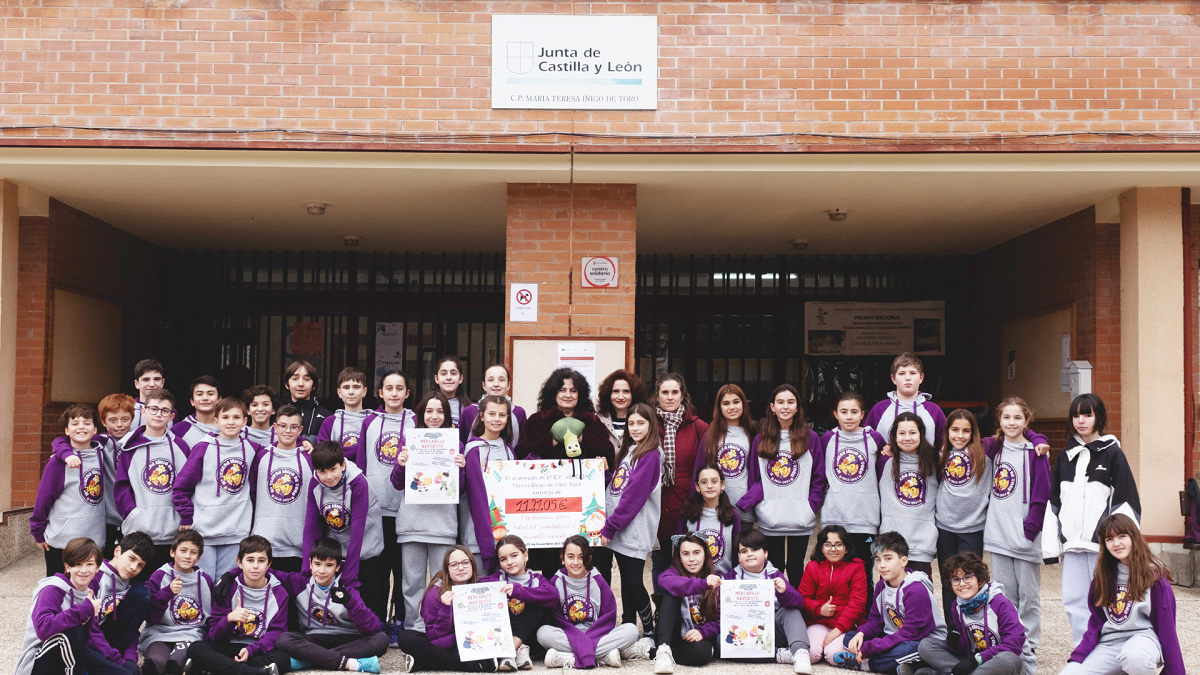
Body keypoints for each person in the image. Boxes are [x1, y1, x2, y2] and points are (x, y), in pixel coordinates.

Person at [1045, 394, 1141, 647]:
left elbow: (1126, 501)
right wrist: (1053, 545)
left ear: (1099, 417)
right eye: (1076, 415)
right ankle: (1083, 652)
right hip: (1074, 547)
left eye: (1087, 414)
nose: (1081, 420)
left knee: (1107, 600)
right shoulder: (1065, 456)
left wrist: (1123, 547)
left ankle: (1110, 653)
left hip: (1102, 548)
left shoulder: (1113, 454)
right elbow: (1054, 502)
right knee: (1074, 601)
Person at [514, 368, 612, 576]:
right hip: (548, 510)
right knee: (552, 565)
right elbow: (521, 455)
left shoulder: (593, 423)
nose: (568, 395)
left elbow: (608, 454)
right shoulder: (536, 421)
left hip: (583, 509)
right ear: (553, 393)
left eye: (573, 390)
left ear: (581, 395)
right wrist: (551, 440)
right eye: (562, 390)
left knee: (586, 563)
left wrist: (584, 438)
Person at [1061, 514, 1183, 675]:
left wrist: (1175, 671)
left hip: (1144, 641)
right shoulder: (1102, 578)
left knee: (1135, 657)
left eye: (1122, 536)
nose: (1116, 543)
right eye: (1109, 539)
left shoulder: (1154, 579)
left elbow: (1167, 629)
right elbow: (1097, 622)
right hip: (1110, 644)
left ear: (1134, 538)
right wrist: (1080, 655)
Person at [981, 398, 1050, 675]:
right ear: (999, 421)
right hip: (999, 533)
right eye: (1006, 417)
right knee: (1005, 595)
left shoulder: (1036, 451)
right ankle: (1010, 643)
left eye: (1017, 418)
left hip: (1025, 534)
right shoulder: (993, 447)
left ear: (1026, 421)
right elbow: (964, 442)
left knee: (1029, 596)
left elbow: (1042, 491)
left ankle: (1029, 646)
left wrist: (1031, 527)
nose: (1012, 423)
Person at [390, 392, 466, 631]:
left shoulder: (456, 445)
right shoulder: (409, 443)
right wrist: (402, 465)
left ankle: (440, 627)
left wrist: (460, 469)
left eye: (440, 411)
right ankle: (414, 629)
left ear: (447, 415)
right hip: (411, 524)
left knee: (444, 582)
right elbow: (396, 483)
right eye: (429, 411)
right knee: (411, 584)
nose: (434, 416)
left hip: (442, 526)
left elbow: (460, 490)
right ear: (421, 414)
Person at [736, 383, 825, 587]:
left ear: (797, 408)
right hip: (770, 516)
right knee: (773, 568)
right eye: (780, 402)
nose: (785, 406)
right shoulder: (761, 438)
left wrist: (811, 507)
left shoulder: (810, 438)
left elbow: (818, 477)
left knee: (795, 569)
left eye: (791, 402)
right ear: (772, 407)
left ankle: (796, 612)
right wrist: (761, 507)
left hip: (801, 516)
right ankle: (774, 613)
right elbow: (754, 478)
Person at [346, 369, 415, 624]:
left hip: (406, 509)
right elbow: (361, 464)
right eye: (389, 388)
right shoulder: (370, 422)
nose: (394, 393)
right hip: (376, 510)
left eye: (400, 388)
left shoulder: (415, 422)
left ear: (407, 393)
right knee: (377, 570)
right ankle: (377, 621)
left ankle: (400, 620)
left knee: (403, 570)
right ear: (380, 392)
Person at [832, 531, 946, 674]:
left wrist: (870, 648)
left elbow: (910, 634)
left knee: (911, 649)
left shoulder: (916, 591)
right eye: (878, 559)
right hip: (894, 638)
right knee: (850, 637)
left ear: (904, 561)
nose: (882, 565)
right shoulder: (881, 586)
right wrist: (862, 635)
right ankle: (899, 666)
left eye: (888, 559)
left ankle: (867, 664)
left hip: (925, 642)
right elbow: (875, 621)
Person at [275, 538, 388, 674]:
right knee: (284, 639)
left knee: (381, 639)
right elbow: (268, 573)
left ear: (338, 566)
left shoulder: (348, 587)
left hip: (348, 639)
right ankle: (349, 663)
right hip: (315, 639)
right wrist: (240, 570)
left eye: (328, 565)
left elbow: (373, 626)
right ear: (310, 563)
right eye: (317, 564)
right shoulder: (299, 583)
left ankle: (310, 660)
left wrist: (349, 602)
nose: (322, 570)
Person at [174, 396, 259, 575]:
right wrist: (187, 516)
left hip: (236, 531)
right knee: (203, 581)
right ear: (216, 421)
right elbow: (182, 486)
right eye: (225, 417)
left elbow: (279, 450)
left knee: (225, 586)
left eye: (236, 417)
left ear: (245, 421)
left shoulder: (253, 448)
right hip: (204, 531)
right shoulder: (203, 448)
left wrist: (301, 443)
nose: (230, 422)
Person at [600, 403, 662, 638]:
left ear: (651, 425)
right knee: (626, 582)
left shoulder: (650, 455)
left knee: (635, 582)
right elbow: (620, 485)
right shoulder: (630, 450)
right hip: (620, 531)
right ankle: (628, 626)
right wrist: (607, 473)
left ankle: (648, 630)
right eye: (631, 423)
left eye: (641, 423)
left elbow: (634, 495)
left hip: (633, 531)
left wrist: (610, 527)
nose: (635, 428)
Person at [303, 441, 385, 619]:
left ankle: (377, 630)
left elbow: (358, 529)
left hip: (366, 547)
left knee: (367, 594)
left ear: (343, 465)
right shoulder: (314, 484)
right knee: (341, 599)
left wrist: (350, 572)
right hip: (338, 547)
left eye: (333, 469)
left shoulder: (358, 483)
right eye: (322, 471)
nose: (328, 476)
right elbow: (311, 526)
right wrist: (306, 567)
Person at [187, 535, 290, 675]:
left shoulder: (280, 593)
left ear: (269, 564)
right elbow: (214, 635)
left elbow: (276, 633)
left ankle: (218, 668)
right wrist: (229, 619)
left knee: (283, 659)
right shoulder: (227, 588)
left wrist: (251, 649)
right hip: (227, 645)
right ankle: (252, 672)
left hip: (257, 649)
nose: (255, 566)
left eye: (261, 561)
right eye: (250, 560)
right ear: (239, 562)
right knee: (196, 648)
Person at [16, 537, 120, 675]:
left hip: (73, 657)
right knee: (73, 629)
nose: (83, 570)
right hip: (39, 661)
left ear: (97, 567)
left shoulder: (89, 595)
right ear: (67, 567)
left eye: (89, 564)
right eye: (77, 564)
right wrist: (85, 610)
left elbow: (90, 637)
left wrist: (115, 660)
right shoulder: (52, 590)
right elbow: (43, 629)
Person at [116, 388, 191, 575]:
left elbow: (189, 485)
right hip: (139, 532)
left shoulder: (181, 446)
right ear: (143, 411)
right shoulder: (129, 447)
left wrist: (183, 516)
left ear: (172, 416)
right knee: (137, 586)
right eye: (154, 409)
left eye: (165, 411)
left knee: (166, 588)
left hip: (172, 534)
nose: (159, 414)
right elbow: (122, 486)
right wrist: (133, 513)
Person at [536, 535, 640, 669]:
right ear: (563, 559)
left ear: (589, 559)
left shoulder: (598, 580)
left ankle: (569, 658)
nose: (576, 562)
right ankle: (603, 656)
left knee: (631, 630)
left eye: (581, 556)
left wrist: (587, 638)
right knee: (542, 633)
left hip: (597, 634)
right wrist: (578, 638)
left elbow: (609, 615)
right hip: (569, 635)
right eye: (571, 557)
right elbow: (554, 617)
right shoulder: (556, 582)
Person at [52, 394, 138, 558]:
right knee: (104, 561)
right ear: (103, 423)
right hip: (107, 517)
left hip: (133, 515)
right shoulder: (99, 442)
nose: (119, 425)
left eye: (125, 419)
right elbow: (60, 441)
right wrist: (66, 454)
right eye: (113, 420)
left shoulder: (140, 442)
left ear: (132, 420)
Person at [819, 390, 884, 598]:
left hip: (865, 519)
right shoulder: (827, 439)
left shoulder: (875, 438)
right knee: (835, 575)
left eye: (854, 411)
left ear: (863, 414)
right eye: (844, 411)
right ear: (835, 414)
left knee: (864, 574)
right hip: (835, 518)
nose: (849, 416)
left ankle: (865, 621)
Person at [651, 373, 709, 606]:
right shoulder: (648, 425)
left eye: (675, 392)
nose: (670, 397)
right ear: (657, 396)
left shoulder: (698, 427)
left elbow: (705, 468)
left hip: (687, 508)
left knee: (688, 563)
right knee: (660, 562)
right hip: (657, 508)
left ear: (683, 395)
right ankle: (662, 613)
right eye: (665, 392)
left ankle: (690, 614)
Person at [916, 552, 1023, 675]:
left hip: (999, 663)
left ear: (979, 579)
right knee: (926, 645)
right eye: (956, 579)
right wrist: (954, 643)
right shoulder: (957, 606)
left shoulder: (1000, 603)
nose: (962, 584)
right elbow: (963, 649)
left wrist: (978, 659)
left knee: (1007, 659)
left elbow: (1014, 645)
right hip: (973, 662)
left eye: (967, 577)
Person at [34, 403, 109, 577]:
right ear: (67, 430)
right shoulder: (57, 462)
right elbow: (43, 498)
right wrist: (38, 532)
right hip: (62, 542)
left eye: (87, 422)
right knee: (58, 591)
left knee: (89, 592)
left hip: (94, 541)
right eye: (75, 423)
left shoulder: (104, 455)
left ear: (95, 429)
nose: (81, 427)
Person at [934, 409, 991, 633]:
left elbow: (1014, 434)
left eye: (966, 430)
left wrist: (1039, 439)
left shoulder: (985, 452)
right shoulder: (940, 455)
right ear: (947, 431)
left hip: (973, 528)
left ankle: (975, 630)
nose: (960, 435)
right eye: (955, 429)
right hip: (944, 526)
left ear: (973, 432)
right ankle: (953, 631)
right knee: (949, 581)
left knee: (971, 582)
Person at [394, 546, 493, 673]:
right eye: (454, 565)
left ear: (473, 565)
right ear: (447, 569)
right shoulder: (435, 594)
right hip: (444, 643)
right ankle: (467, 666)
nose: (461, 568)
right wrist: (445, 608)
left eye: (465, 563)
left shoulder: (483, 587)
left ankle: (421, 662)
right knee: (407, 638)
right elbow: (434, 636)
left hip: (468, 642)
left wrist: (508, 588)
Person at [722, 529, 811, 670]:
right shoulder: (728, 579)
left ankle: (800, 653)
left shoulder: (774, 575)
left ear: (765, 553)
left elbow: (799, 602)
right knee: (722, 640)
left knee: (791, 611)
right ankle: (780, 655)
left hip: (772, 631)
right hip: (745, 633)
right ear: (738, 557)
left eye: (755, 549)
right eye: (743, 551)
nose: (749, 554)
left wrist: (784, 592)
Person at [249, 404, 314, 574]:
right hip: (264, 544)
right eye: (283, 426)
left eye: (293, 427)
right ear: (275, 427)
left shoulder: (309, 458)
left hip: (297, 546)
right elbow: (253, 493)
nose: (288, 431)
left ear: (300, 430)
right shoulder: (261, 456)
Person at [140, 529, 214, 675]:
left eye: (193, 552)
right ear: (172, 552)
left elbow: (212, 614)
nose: (187, 556)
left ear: (198, 558)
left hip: (191, 634)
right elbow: (150, 616)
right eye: (183, 550)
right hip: (159, 633)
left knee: (178, 663)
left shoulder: (206, 580)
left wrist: (208, 639)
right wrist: (166, 592)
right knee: (155, 664)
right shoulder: (159, 575)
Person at [481, 535, 559, 671]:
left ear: (525, 555)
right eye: (503, 559)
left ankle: (511, 648)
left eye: (514, 555)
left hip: (533, 642)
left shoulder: (536, 579)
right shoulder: (498, 578)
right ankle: (515, 650)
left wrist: (519, 591)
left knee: (538, 600)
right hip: (503, 636)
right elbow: (478, 586)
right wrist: (498, 587)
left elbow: (553, 595)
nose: (509, 562)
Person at [879, 413, 940, 576]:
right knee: (890, 595)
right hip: (891, 542)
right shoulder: (884, 461)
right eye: (902, 433)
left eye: (913, 433)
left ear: (921, 434)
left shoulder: (935, 462)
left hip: (922, 542)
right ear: (894, 436)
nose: (907, 438)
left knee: (919, 594)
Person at [799, 525, 868, 668]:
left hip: (845, 625)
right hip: (818, 621)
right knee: (812, 654)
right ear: (822, 548)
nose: (833, 549)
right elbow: (803, 598)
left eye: (838, 544)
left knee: (832, 655)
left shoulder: (857, 567)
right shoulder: (812, 566)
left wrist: (838, 630)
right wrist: (819, 609)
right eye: (828, 544)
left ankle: (856, 654)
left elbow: (857, 603)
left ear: (846, 548)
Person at [462, 395, 516, 574]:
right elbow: (476, 497)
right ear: (482, 416)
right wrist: (486, 543)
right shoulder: (473, 450)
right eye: (491, 414)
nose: (497, 419)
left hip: (507, 537)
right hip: (478, 537)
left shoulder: (509, 449)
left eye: (502, 415)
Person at [654, 533, 722, 673]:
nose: (691, 559)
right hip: (673, 634)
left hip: (698, 637)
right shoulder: (672, 573)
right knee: (672, 591)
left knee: (704, 653)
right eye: (685, 554)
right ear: (679, 557)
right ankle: (663, 650)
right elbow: (663, 580)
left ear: (705, 555)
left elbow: (725, 620)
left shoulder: (717, 581)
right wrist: (702, 584)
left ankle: (652, 653)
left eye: (696, 553)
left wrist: (703, 632)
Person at [692, 383, 756, 527]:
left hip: (744, 507)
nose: (731, 407)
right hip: (715, 506)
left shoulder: (753, 434)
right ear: (719, 407)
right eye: (726, 403)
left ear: (743, 404)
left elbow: (757, 474)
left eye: (736, 402)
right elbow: (699, 469)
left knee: (742, 548)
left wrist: (750, 500)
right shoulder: (710, 434)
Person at [91, 531, 154, 673]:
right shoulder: (94, 575)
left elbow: (131, 629)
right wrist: (115, 660)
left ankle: (119, 658)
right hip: (90, 641)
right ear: (117, 551)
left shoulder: (131, 585)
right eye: (131, 558)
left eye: (140, 565)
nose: (134, 567)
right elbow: (87, 627)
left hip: (113, 646)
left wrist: (130, 658)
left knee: (143, 593)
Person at [864, 353, 946, 448]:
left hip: (924, 463)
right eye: (902, 373)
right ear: (893, 379)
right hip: (889, 463)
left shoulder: (934, 410)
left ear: (921, 378)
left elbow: (945, 446)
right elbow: (866, 443)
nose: (907, 378)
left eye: (912, 373)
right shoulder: (879, 409)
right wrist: (882, 448)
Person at [679, 464, 741, 575]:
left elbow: (737, 551)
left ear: (722, 484)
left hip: (724, 580)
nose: (709, 486)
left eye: (714, 481)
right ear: (697, 487)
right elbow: (679, 549)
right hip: (695, 582)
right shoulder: (687, 514)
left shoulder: (732, 514)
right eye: (704, 482)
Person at [459, 364, 528, 446]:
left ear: (508, 385)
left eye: (501, 380)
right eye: (491, 380)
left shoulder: (519, 412)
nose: (496, 384)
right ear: (484, 385)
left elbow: (522, 447)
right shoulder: (469, 411)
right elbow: (462, 444)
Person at [595, 369, 646, 457]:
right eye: (616, 391)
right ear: (608, 394)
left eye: (626, 391)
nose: (621, 397)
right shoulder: (597, 421)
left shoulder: (644, 421)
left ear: (633, 394)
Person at [318, 367, 370, 449]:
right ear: (339, 392)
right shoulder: (329, 422)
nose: (351, 392)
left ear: (364, 391)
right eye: (346, 387)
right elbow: (323, 455)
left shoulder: (374, 421)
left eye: (356, 387)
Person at [283, 360, 332, 447]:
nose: (301, 384)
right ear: (287, 384)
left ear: (314, 385)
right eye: (295, 379)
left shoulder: (327, 417)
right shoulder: (278, 414)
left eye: (306, 379)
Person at [172, 376, 222, 448]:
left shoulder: (231, 426)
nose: (205, 398)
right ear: (192, 401)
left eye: (210, 394)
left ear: (219, 400)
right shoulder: (179, 429)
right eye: (199, 394)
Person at [434, 355, 473, 428]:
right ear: (436, 379)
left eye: (453, 373)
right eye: (443, 373)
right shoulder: (425, 406)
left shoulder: (469, 409)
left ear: (460, 378)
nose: (448, 377)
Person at [131, 359, 168, 430]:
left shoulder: (170, 410)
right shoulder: (126, 409)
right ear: (137, 384)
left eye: (156, 379)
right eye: (146, 379)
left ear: (162, 383)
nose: (152, 384)